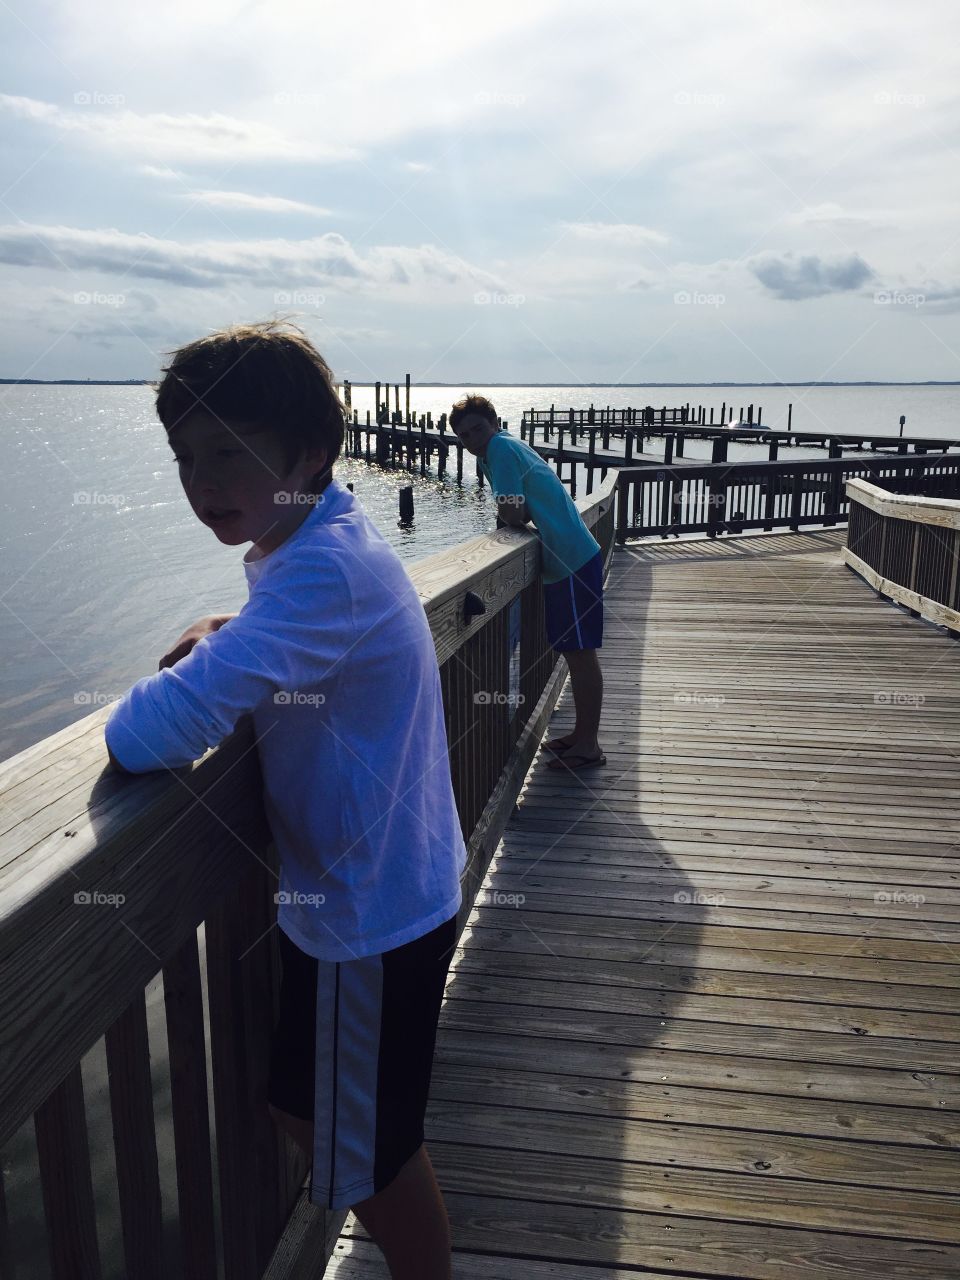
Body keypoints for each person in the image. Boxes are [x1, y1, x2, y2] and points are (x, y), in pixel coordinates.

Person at [104, 320, 465, 1280]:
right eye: (186, 457)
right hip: (378, 894)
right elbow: (305, 618)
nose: (201, 482)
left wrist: (186, 674)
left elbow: (149, 736)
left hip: (367, 918)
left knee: (373, 1156)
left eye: (228, 451)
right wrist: (240, 625)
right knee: (317, 1116)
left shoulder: (317, 570)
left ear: (308, 454)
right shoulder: (321, 537)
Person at [449, 395, 605, 771]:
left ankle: (588, 744)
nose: (472, 439)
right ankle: (582, 735)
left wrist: (506, 524)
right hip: (571, 556)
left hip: (569, 561)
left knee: (581, 655)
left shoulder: (500, 449)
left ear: (494, 423)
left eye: (478, 429)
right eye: (464, 435)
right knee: (575, 651)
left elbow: (513, 510)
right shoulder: (505, 446)